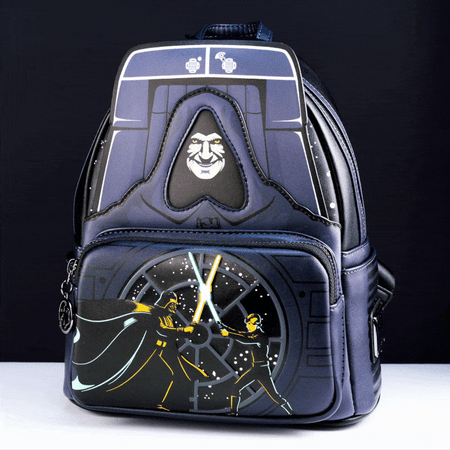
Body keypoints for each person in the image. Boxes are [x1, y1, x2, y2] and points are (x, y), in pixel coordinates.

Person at [221, 313, 294, 415]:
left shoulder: (261, 336)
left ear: (256, 324)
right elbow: (240, 334)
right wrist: (225, 327)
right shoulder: (253, 333)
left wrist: (228, 334)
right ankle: (233, 413)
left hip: (263, 370)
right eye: (247, 323)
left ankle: (292, 413)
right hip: (254, 368)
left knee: (274, 396)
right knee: (236, 387)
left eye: (249, 323)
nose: (247, 325)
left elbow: (245, 339)